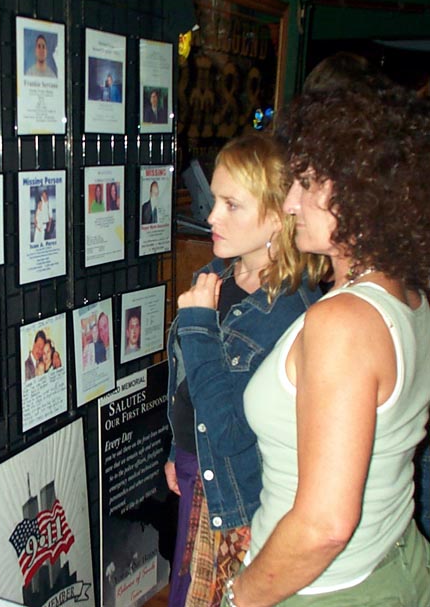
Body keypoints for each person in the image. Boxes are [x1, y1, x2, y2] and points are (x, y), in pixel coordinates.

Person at [224, 87, 430, 607]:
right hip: (394, 557)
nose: (291, 201)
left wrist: (241, 594)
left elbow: (324, 525)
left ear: (366, 191)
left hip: (325, 589)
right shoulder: (406, 295)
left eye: (309, 182)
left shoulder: (344, 322)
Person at [165, 133, 326, 607]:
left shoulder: (291, 312)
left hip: (237, 491)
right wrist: (176, 447)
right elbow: (189, 384)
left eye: (231, 204)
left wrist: (196, 324)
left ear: (279, 215)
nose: (211, 216)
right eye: (214, 200)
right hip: (199, 471)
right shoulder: (215, 273)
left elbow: (234, 429)